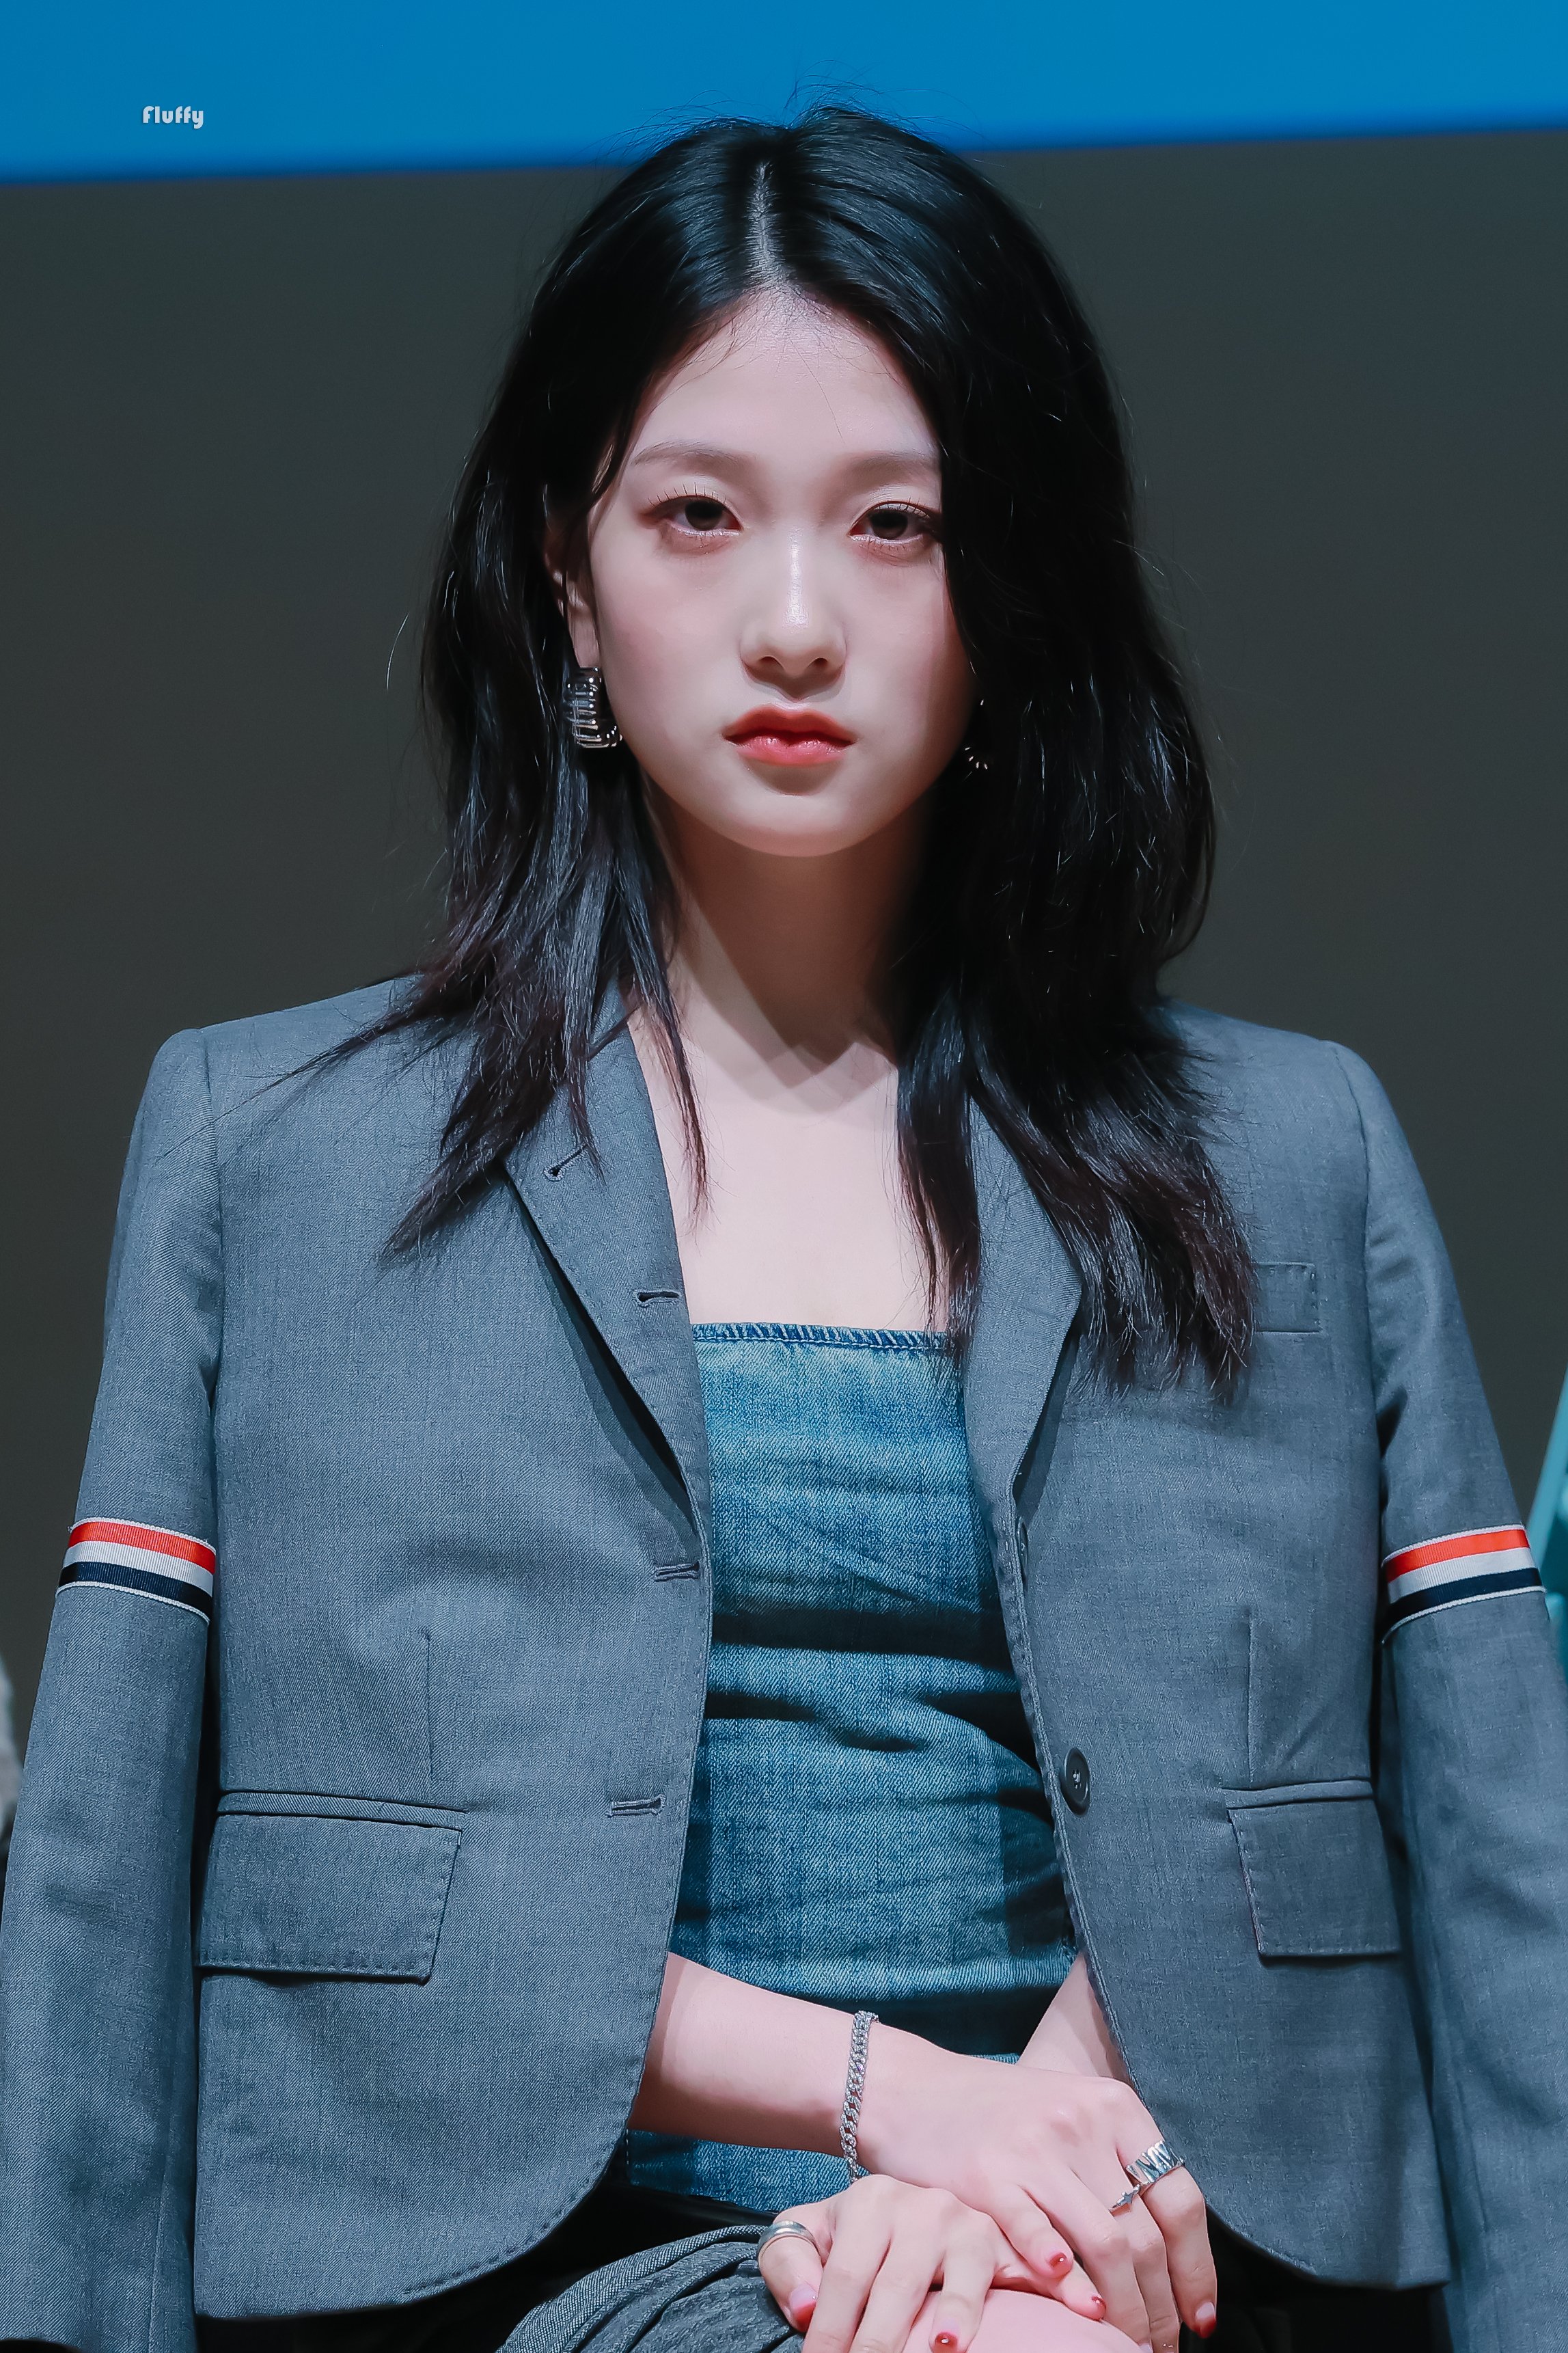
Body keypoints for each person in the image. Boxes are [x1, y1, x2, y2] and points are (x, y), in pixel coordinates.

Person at [1, 105, 1565, 2353]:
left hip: (1147, 2226)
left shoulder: (1294, 1149)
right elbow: (106, 1889)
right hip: (539, 2258)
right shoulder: (274, 1149)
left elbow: (1484, 1860)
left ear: (1010, 582)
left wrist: (1020, 2168)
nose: (800, 621)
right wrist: (901, 2107)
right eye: (698, 515)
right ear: (567, 576)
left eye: (897, 524)